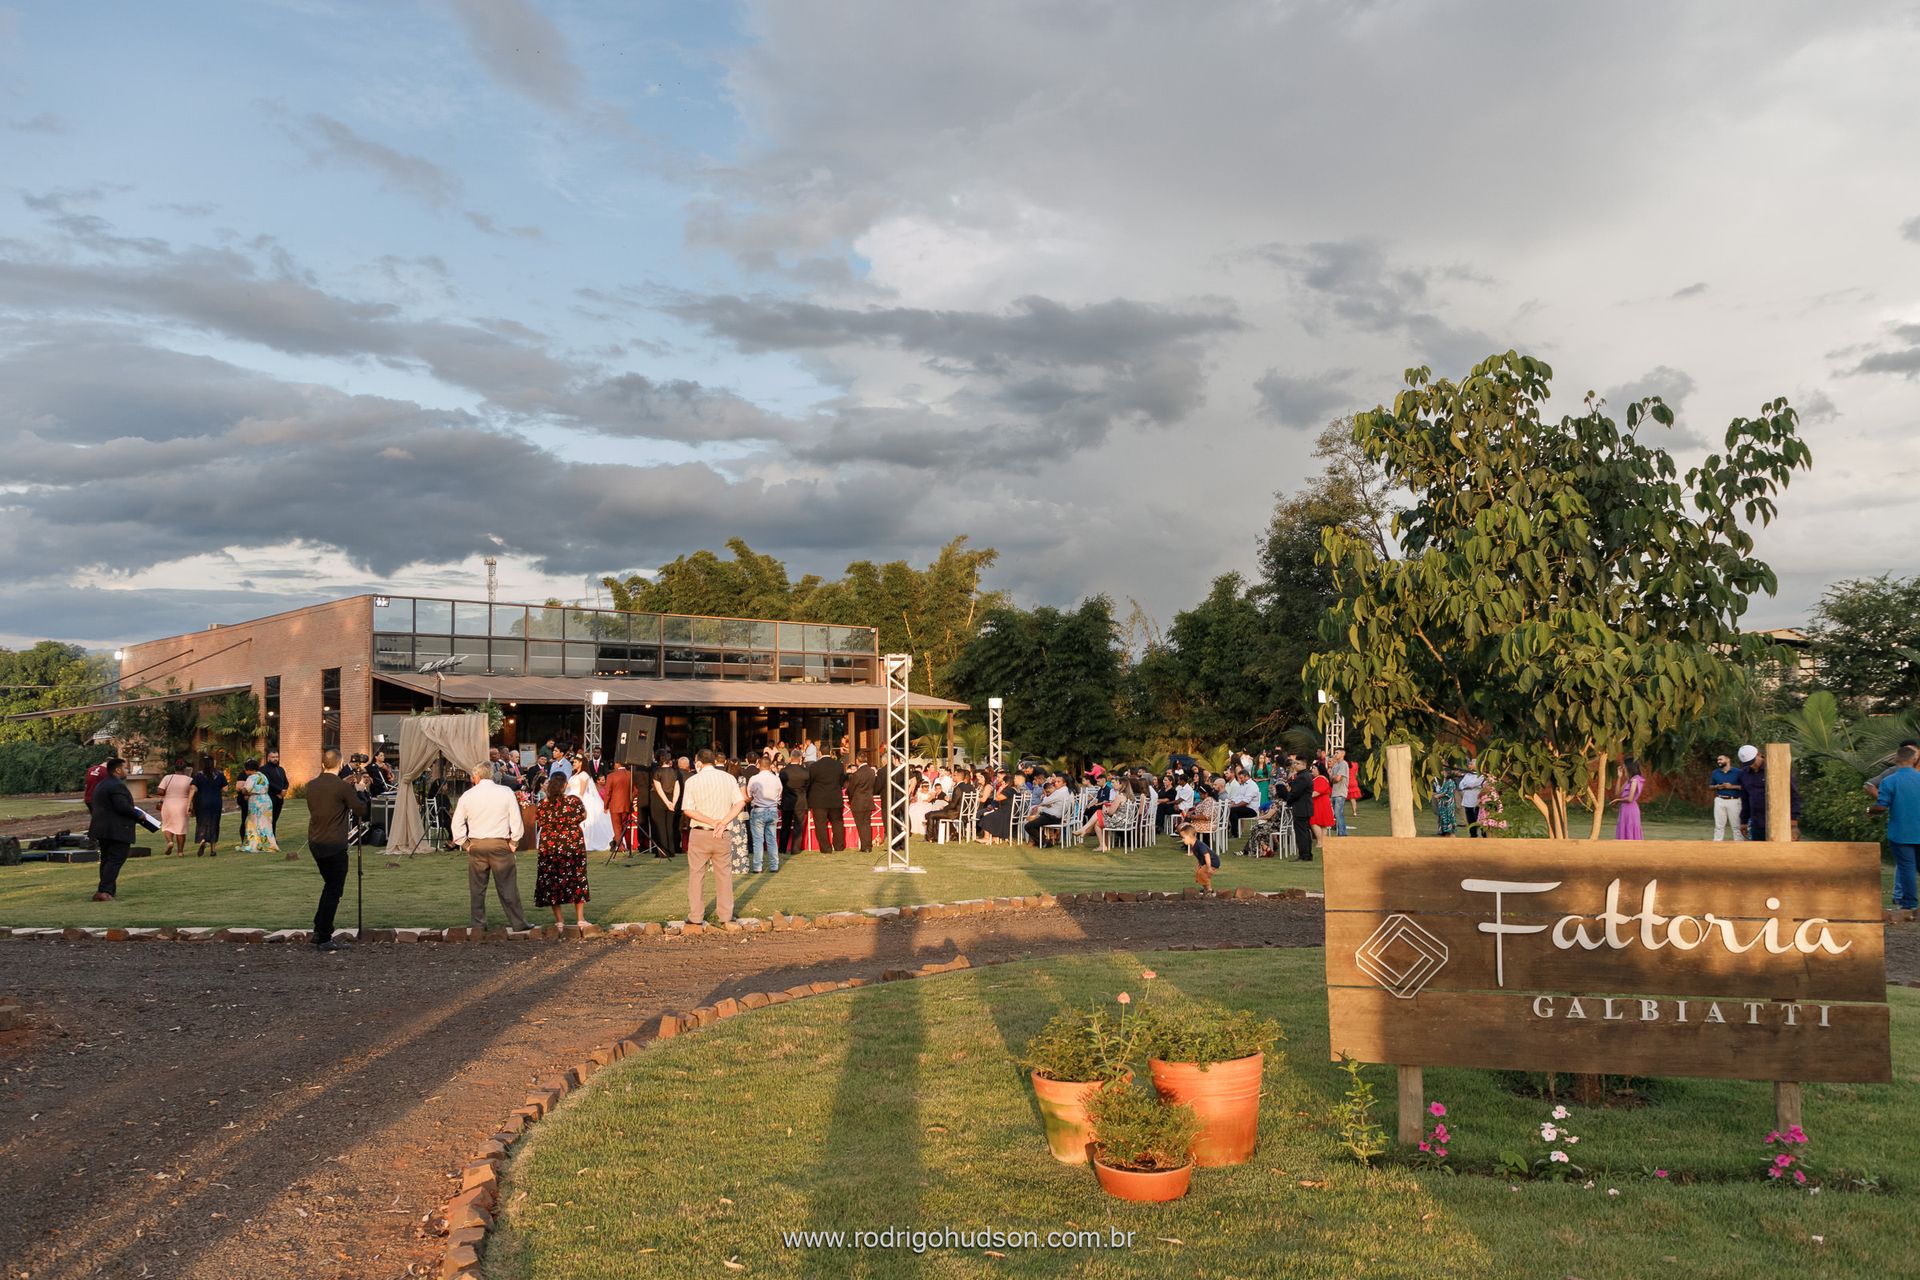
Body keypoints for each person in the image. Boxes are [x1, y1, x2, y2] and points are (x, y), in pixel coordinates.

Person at [305, 749, 370, 952]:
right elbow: (361, 810)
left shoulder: (310, 785)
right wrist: (360, 790)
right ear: (340, 765)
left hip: (316, 841)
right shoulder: (341, 787)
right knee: (334, 889)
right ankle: (324, 935)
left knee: (329, 886)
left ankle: (319, 928)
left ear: (323, 764)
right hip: (334, 843)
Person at [452, 762, 529, 931]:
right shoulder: (505, 792)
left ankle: (478, 924)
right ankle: (518, 923)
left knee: (477, 888)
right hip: (500, 843)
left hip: (476, 844)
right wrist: (515, 841)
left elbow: (456, 823)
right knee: (507, 886)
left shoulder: (468, 795)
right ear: (492, 775)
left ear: (477, 777)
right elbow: (515, 818)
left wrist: (464, 843)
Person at [682, 748, 744, 925]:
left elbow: (688, 810)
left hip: (700, 832)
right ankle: (725, 915)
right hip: (722, 833)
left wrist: (712, 821)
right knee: (724, 876)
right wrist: (722, 822)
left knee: (696, 875)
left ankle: (695, 916)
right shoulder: (729, 778)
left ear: (699, 762)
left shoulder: (693, 780)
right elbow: (740, 802)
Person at [533, 773, 591, 927]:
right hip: (571, 844)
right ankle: (580, 918)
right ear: (565, 785)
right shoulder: (573, 801)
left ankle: (559, 921)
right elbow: (583, 815)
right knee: (577, 879)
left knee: (553, 880)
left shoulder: (543, 804)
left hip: (550, 846)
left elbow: (539, 820)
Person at [1871, 745, 1920, 913]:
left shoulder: (1890, 781)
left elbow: (1882, 807)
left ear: (1896, 760)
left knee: (1907, 868)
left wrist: (1870, 810)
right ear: (1914, 760)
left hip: (1900, 832)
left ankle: (1910, 904)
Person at [87, 757, 137, 901]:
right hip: (116, 829)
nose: (127, 770)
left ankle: (108, 890)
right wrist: (139, 814)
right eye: (125, 768)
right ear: (118, 770)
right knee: (115, 859)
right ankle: (104, 891)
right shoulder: (117, 785)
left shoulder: (102, 784)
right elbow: (122, 807)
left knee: (107, 859)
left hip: (102, 828)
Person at [1736, 744, 1800, 841]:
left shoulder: (1777, 769)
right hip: (1757, 823)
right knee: (1759, 852)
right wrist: (1743, 821)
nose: (1751, 765)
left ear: (1759, 754)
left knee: (1781, 853)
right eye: (1748, 763)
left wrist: (1793, 821)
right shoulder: (1744, 775)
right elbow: (1745, 799)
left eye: (1753, 761)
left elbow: (1793, 794)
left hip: (1779, 823)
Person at [566, 758, 615, 852]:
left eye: (576, 762)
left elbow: (582, 791)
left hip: (580, 798)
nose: (574, 764)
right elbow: (568, 786)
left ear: (581, 763)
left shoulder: (584, 775)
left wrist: (577, 801)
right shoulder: (573, 775)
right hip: (571, 796)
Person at [807, 749, 847, 852]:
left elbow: (809, 783)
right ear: (830, 752)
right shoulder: (838, 765)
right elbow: (842, 781)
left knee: (820, 825)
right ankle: (839, 846)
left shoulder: (814, 766)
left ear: (819, 752)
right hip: (835, 798)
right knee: (837, 823)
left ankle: (826, 848)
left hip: (819, 800)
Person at [747, 754, 782, 872]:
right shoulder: (776, 778)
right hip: (772, 809)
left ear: (759, 765)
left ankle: (757, 867)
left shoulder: (754, 778)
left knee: (758, 840)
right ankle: (774, 865)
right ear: (770, 765)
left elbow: (749, 795)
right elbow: (779, 794)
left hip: (758, 809)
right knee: (772, 839)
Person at [237, 759, 280, 853]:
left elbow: (246, 790)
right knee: (266, 823)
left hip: (256, 801)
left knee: (253, 822)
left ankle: (254, 844)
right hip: (266, 800)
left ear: (248, 769)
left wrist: (242, 789)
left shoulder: (251, 778)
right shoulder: (263, 776)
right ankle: (269, 844)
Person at [190, 754, 227, 856]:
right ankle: (213, 850)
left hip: (201, 802)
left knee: (202, 823)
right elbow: (225, 789)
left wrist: (189, 803)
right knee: (214, 823)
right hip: (215, 802)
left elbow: (193, 789)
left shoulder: (198, 775)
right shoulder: (219, 774)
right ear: (213, 763)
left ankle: (203, 840)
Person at [155, 759, 195, 856]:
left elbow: (160, 791)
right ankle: (180, 852)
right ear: (185, 769)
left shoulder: (168, 777)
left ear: (174, 768)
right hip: (182, 804)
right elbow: (193, 793)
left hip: (168, 803)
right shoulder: (189, 780)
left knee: (167, 825)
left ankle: (170, 842)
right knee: (181, 829)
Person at [649, 751, 682, 858]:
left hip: (659, 801)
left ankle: (663, 851)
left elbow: (659, 790)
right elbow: (677, 788)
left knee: (660, 826)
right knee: (670, 826)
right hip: (672, 799)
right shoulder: (675, 772)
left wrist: (666, 802)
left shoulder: (656, 772)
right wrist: (673, 802)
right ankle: (671, 851)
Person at [845, 754, 878, 853]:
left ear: (857, 760)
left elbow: (851, 789)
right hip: (868, 801)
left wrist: (849, 796)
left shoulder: (857, 774)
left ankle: (865, 846)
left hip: (858, 801)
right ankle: (868, 845)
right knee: (867, 824)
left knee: (860, 825)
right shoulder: (872, 772)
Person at [1284, 762, 1316, 862]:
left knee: (1301, 832)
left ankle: (1304, 855)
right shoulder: (1304, 776)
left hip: (1301, 808)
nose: (1295, 765)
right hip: (1304, 807)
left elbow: (1296, 792)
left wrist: (1288, 801)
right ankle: (1306, 854)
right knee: (1305, 831)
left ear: (1303, 764)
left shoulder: (1302, 777)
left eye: (1298, 763)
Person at [1709, 753, 1745, 842]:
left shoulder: (1738, 772)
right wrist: (1717, 787)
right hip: (1719, 800)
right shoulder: (1715, 772)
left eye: (1721, 759)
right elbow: (1710, 786)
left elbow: (1744, 786)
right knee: (1719, 825)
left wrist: (1731, 786)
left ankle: (1739, 845)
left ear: (1728, 760)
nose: (1718, 761)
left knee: (1736, 826)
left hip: (1734, 800)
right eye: (1718, 760)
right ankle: (1717, 843)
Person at [1025, 776, 1072, 843]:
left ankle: (1045, 842)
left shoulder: (1059, 792)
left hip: (1052, 817)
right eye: (1055, 781)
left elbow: (1045, 801)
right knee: (1034, 820)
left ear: (1064, 784)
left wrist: (1044, 793)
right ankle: (1041, 840)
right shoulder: (1065, 791)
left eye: (1058, 782)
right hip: (1054, 816)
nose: (1056, 783)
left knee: (1028, 826)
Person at [603, 759, 635, 852]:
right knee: (622, 825)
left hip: (615, 805)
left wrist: (605, 806)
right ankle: (615, 842)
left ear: (617, 764)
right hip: (626, 805)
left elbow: (608, 792)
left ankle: (620, 846)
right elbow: (636, 790)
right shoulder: (630, 774)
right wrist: (629, 798)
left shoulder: (611, 776)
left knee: (617, 826)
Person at [1178, 820, 1218, 891]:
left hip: (1212, 862)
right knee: (1199, 874)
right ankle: (1206, 889)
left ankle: (1209, 890)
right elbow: (1200, 856)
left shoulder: (1199, 845)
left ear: (1190, 836)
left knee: (1202, 874)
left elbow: (1207, 855)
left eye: (1184, 838)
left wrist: (1209, 867)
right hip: (1206, 862)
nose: (1182, 840)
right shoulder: (1194, 846)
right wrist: (1200, 864)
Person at [261, 749, 290, 836]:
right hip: (270, 797)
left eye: (277, 757)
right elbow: (268, 783)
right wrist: (279, 791)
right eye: (273, 757)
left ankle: (272, 837)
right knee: (269, 819)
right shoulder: (263, 769)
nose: (275, 759)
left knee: (275, 819)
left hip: (280, 798)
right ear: (268, 758)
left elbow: (286, 782)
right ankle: (270, 838)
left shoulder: (280, 769)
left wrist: (284, 790)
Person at [1615, 758, 1646, 840]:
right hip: (1624, 809)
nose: (1623, 768)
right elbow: (1617, 792)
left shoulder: (1635, 780)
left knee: (1630, 829)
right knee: (1624, 828)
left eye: (1624, 767)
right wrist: (1619, 777)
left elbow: (1630, 799)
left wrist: (1618, 801)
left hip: (1630, 809)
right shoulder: (1629, 780)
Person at [1456, 761, 1485, 838]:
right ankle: (1473, 834)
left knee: (1479, 818)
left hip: (1477, 799)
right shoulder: (1468, 774)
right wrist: (1467, 786)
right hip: (1467, 799)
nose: (1469, 765)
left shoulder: (1481, 775)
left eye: (1471, 764)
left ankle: (1484, 834)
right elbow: (1461, 785)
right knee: (1470, 819)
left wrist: (1468, 785)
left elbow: (1472, 784)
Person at [1327, 749, 1350, 836]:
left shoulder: (1343, 764)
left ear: (1343, 754)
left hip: (1340, 792)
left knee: (1337, 813)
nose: (1335, 754)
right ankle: (1342, 832)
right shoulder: (1336, 765)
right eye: (1335, 753)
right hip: (1335, 792)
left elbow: (1337, 779)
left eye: (1337, 752)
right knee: (1337, 814)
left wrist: (1333, 777)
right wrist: (1331, 775)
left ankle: (1341, 833)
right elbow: (1332, 781)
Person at [1311, 765, 1336, 842]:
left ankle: (1320, 841)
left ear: (1319, 770)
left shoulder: (1320, 779)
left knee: (1314, 822)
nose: (1312, 769)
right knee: (1322, 824)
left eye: (1314, 768)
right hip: (1322, 803)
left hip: (1319, 803)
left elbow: (1316, 793)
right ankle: (1322, 841)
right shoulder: (1321, 778)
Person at [1432, 768, 1459, 837]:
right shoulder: (1446, 781)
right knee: (1443, 817)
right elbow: (1442, 790)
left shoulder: (1450, 782)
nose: (1442, 773)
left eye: (1444, 772)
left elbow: (1447, 793)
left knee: (1448, 816)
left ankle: (1450, 832)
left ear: (1447, 773)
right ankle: (1444, 831)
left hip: (1448, 803)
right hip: (1443, 803)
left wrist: (1438, 795)